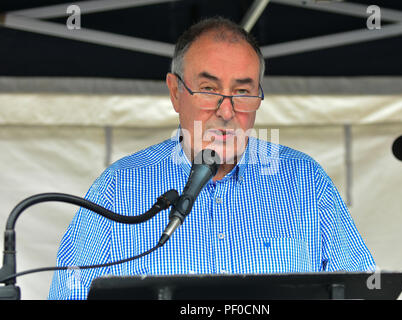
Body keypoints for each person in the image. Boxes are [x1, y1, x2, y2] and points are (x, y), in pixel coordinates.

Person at [48, 17, 375, 300]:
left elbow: (364, 289)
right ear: (175, 92)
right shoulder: (118, 188)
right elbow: (72, 292)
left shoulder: (306, 182)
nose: (226, 110)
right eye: (208, 89)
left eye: (243, 92)